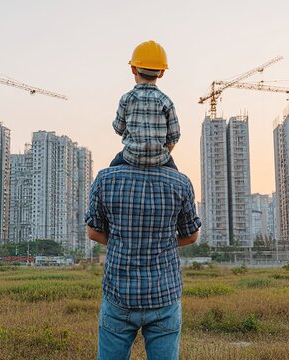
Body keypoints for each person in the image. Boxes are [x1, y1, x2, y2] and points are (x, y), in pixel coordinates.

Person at [85, 162, 201, 358]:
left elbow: (93, 232)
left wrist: (121, 242)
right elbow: (191, 235)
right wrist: (163, 243)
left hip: (118, 295)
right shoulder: (180, 182)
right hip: (164, 296)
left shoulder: (105, 179)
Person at [110, 40, 180, 170]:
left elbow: (118, 129)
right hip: (161, 159)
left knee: (111, 168)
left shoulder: (126, 99)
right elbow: (174, 137)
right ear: (162, 73)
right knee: (176, 174)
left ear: (133, 69)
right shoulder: (166, 101)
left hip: (130, 158)